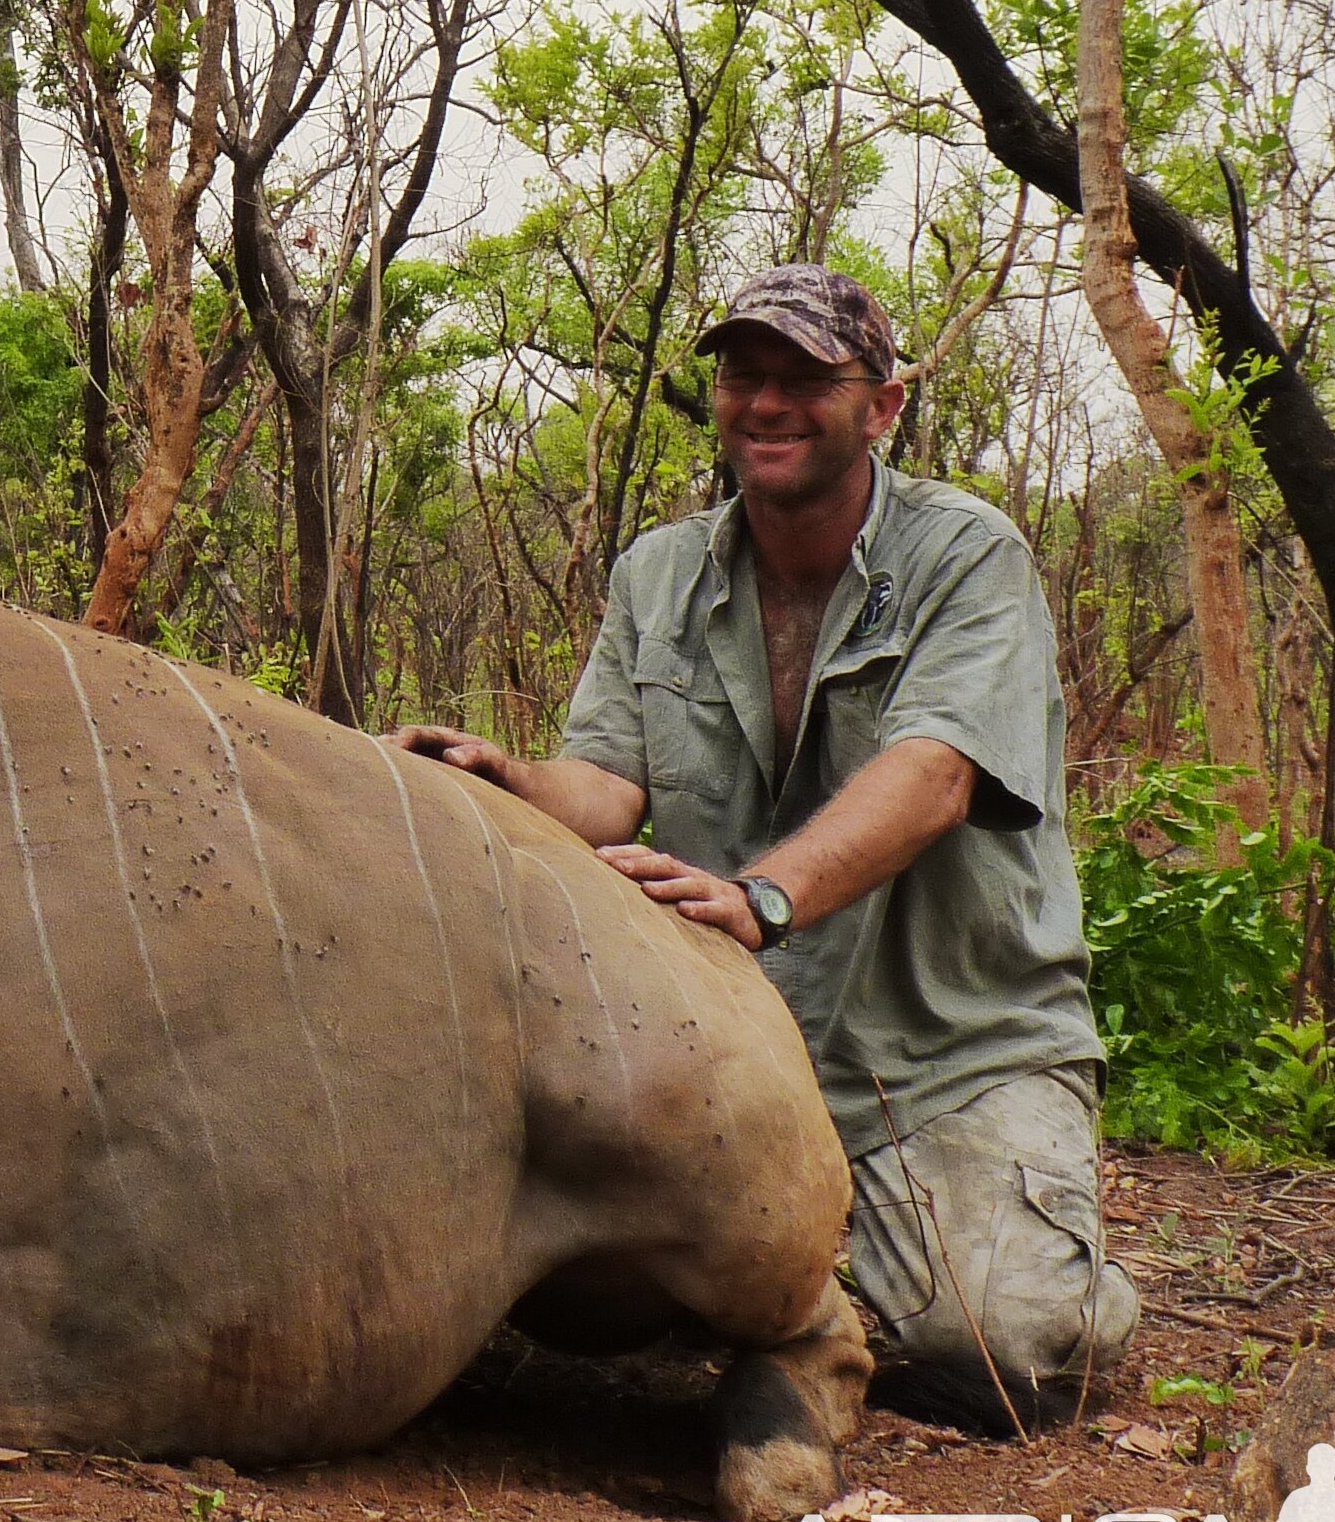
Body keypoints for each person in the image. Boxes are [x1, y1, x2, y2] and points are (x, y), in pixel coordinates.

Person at [393, 265, 1138, 1429]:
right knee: (570, 1307)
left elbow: (935, 775)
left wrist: (763, 895)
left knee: (1003, 1355)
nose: (768, 402)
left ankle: (1022, 1258)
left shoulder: (964, 556)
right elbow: (607, 781)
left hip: (948, 1046)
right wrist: (509, 780)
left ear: (881, 405)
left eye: (807, 378)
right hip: (728, 1040)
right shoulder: (660, 569)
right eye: (745, 375)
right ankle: (793, 1272)